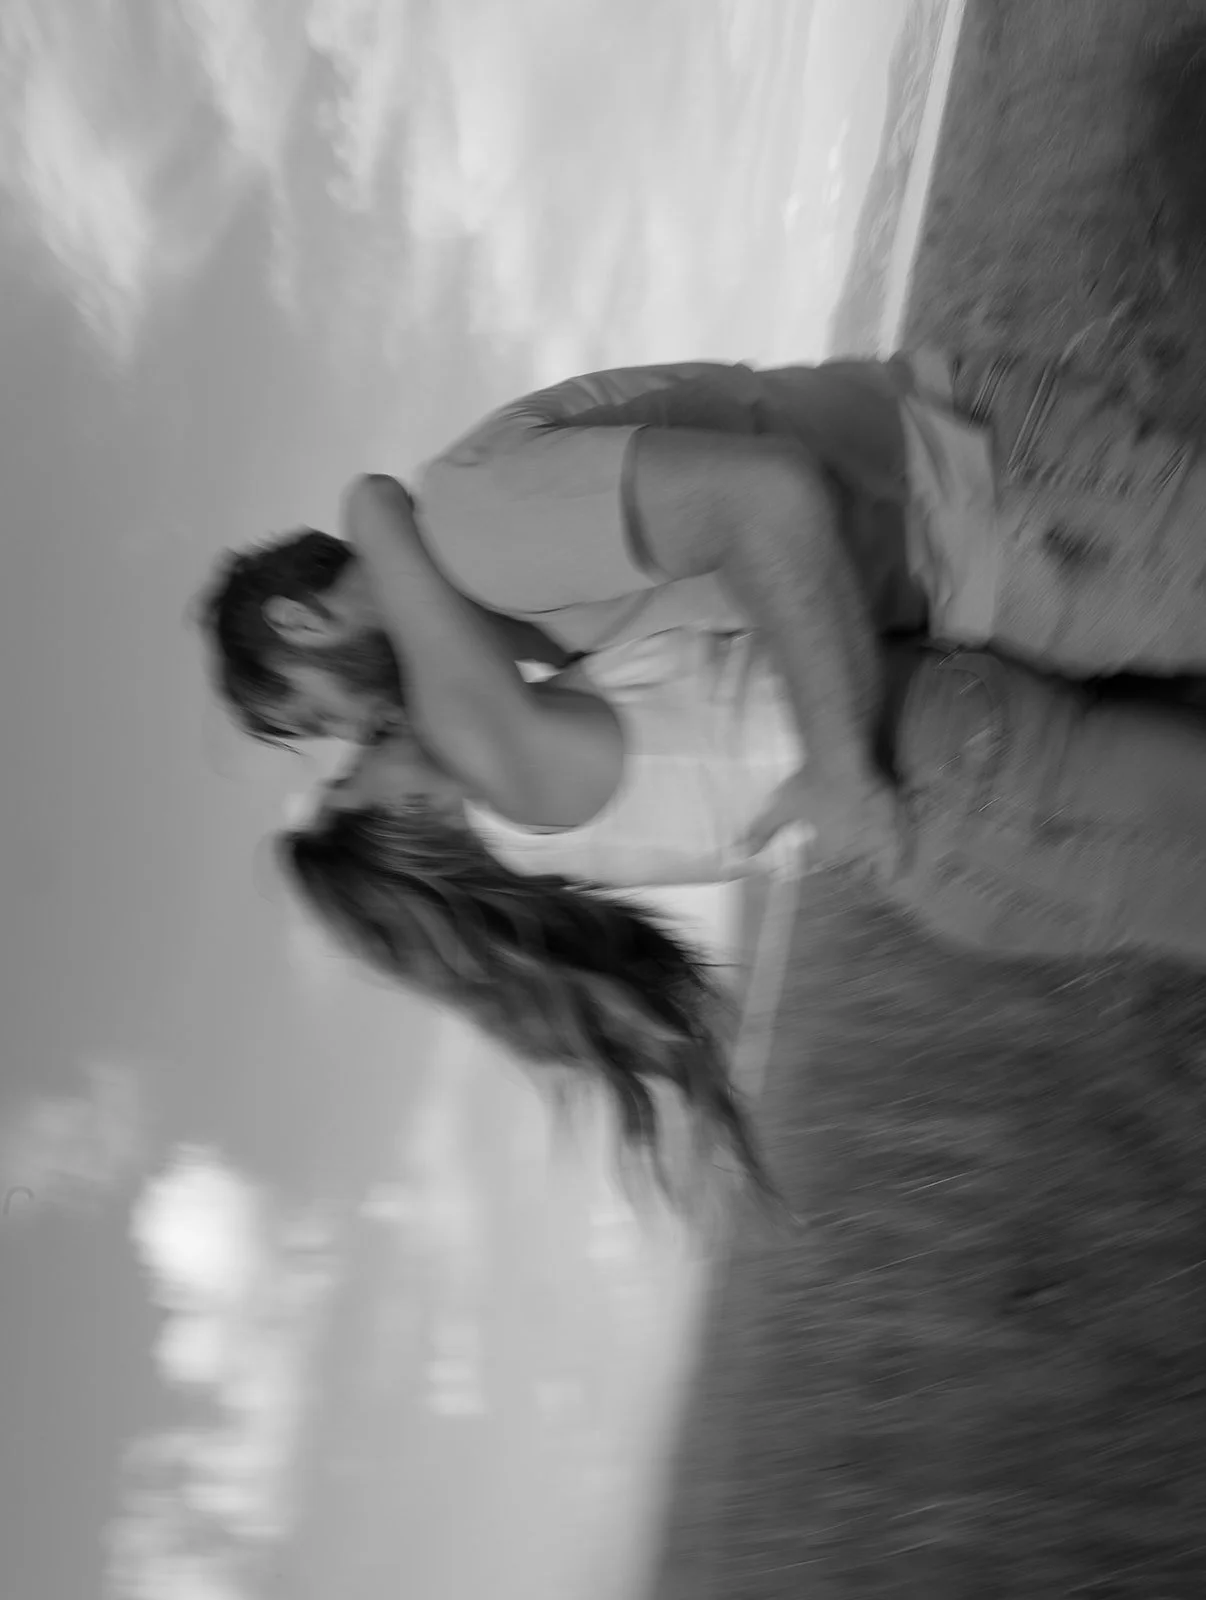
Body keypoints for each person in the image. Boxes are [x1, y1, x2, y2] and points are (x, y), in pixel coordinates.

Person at [276, 476, 1206, 1201]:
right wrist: (355, 528)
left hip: (954, 814)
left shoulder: (531, 795)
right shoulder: (507, 787)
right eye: (348, 776)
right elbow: (381, 509)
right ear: (398, 830)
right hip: (958, 783)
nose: (360, 739)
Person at [199, 345, 1206, 873]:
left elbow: (764, 498)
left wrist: (839, 764)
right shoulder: (493, 611)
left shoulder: (471, 534)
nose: (355, 732)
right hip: (965, 553)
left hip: (996, 495)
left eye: (317, 715)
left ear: (298, 620)